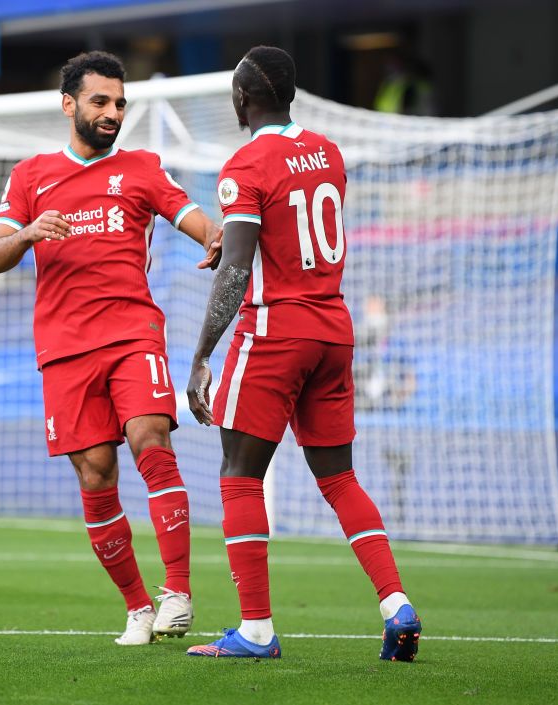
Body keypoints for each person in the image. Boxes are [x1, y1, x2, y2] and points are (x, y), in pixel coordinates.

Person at [183, 46, 421, 661]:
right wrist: (244, 247)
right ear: (291, 95)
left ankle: (256, 631)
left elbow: (237, 270)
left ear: (241, 100)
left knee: (240, 475)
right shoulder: (330, 152)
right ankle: (397, 604)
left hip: (275, 332)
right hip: (333, 328)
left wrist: (202, 355)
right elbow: (292, 227)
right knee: (339, 476)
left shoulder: (244, 165)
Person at [0, 51, 221, 646]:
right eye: (100, 101)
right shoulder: (30, 175)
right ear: (69, 105)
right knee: (95, 476)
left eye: (119, 103)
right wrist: (31, 231)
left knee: (150, 441)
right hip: (64, 348)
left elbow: (194, 218)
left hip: (131, 331)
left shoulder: (141, 167)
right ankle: (137, 606)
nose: (113, 112)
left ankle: (179, 592)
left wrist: (221, 239)